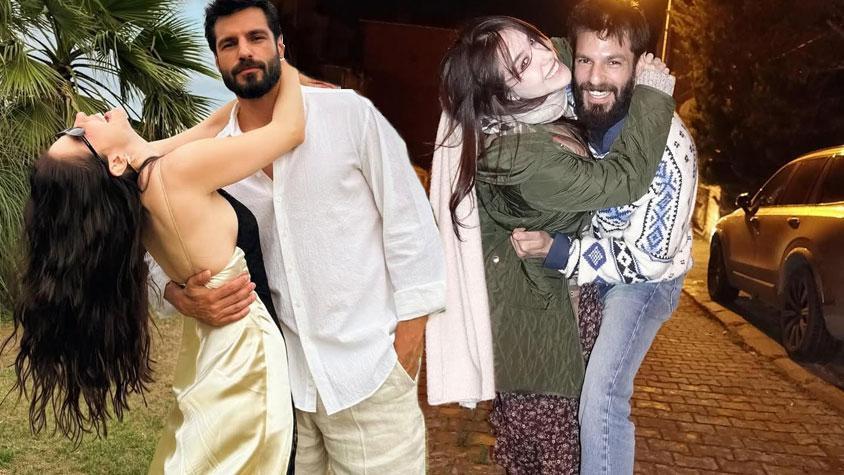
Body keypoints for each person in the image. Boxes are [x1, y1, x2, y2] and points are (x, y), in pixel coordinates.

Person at [150, 1, 446, 473]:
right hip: (282, 389)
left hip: (370, 375)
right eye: (229, 44)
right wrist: (176, 294)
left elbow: (410, 224)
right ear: (217, 60)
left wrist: (405, 349)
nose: (244, 52)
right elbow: (155, 247)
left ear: (281, 46)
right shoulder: (210, 157)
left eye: (256, 37)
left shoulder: (347, 115)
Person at [8, 30, 306, 474]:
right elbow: (290, 130)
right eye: (77, 132)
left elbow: (211, 127)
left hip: (213, 352)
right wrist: (290, 68)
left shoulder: (140, 190)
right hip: (246, 356)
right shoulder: (176, 173)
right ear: (113, 163)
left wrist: (254, 89)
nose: (81, 114)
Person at [428, 15, 676, 473]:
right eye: (522, 64)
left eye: (534, 41)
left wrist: (604, 37)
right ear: (503, 95)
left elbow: (565, 50)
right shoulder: (523, 159)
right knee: (555, 457)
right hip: (540, 337)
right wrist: (653, 94)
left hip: (554, 312)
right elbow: (625, 179)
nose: (543, 57)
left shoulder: (531, 104)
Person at [509, 1, 698, 473]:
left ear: (637, 69)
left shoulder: (671, 150)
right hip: (590, 257)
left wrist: (562, 253)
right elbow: (517, 76)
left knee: (602, 397)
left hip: (645, 282)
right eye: (585, 60)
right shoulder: (575, 100)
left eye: (614, 62)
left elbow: (649, 260)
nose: (595, 78)